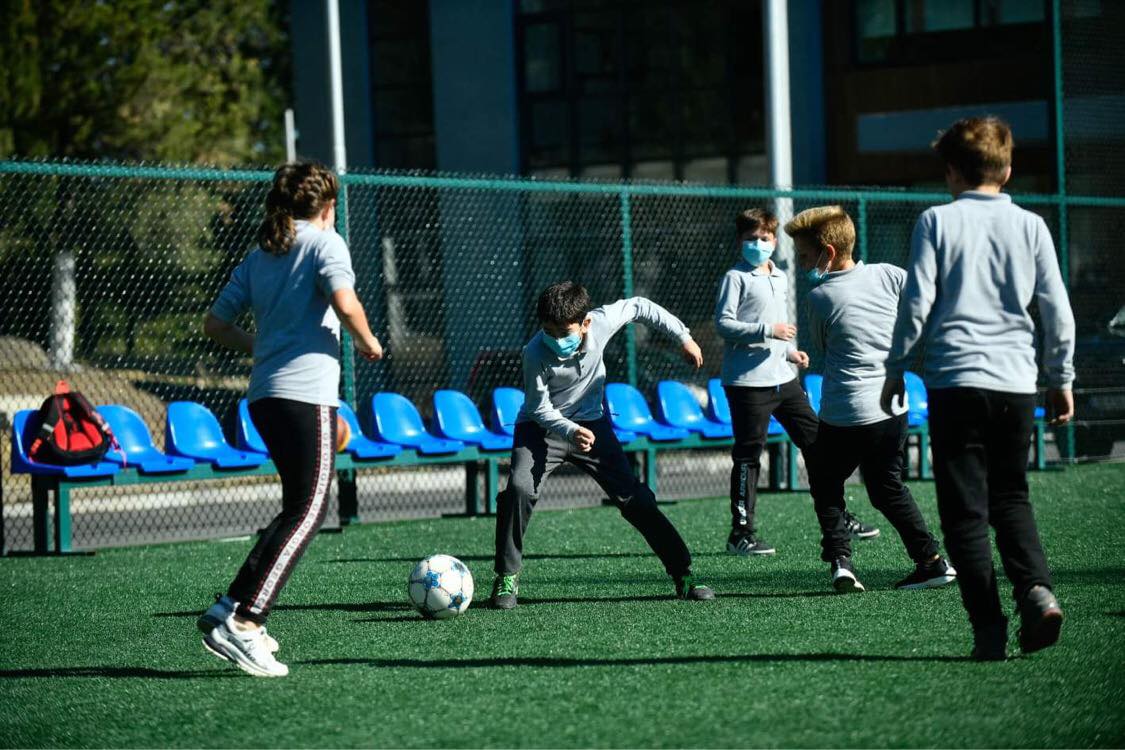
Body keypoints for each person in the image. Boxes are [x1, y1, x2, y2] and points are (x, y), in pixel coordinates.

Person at [881, 117, 1075, 660]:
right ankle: (1036, 591)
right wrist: (1060, 377)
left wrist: (896, 366)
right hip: (1016, 382)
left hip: (955, 380)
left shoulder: (936, 221)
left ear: (951, 172)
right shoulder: (1031, 225)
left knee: (964, 512)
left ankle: (988, 630)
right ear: (1007, 170)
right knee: (1011, 495)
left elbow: (916, 302)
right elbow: (1057, 310)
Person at [196, 162, 383, 677]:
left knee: (295, 507)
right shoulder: (327, 242)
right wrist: (368, 342)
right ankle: (245, 623)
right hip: (306, 397)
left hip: (265, 397)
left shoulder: (261, 254)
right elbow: (345, 303)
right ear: (328, 206)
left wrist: (260, 348)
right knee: (309, 511)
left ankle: (230, 605)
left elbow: (215, 324)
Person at [490, 281, 715, 609]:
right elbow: (538, 408)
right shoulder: (534, 352)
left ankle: (683, 574)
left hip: (593, 425)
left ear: (585, 323)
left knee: (636, 499)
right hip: (540, 428)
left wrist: (683, 336)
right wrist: (570, 431)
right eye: (548, 331)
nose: (555, 339)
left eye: (563, 332)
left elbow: (640, 305)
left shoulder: (603, 321)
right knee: (519, 489)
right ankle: (506, 576)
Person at [786, 205, 956, 594]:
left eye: (805, 256)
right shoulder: (890, 274)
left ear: (828, 253)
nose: (802, 265)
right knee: (886, 488)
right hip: (892, 409)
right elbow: (926, 304)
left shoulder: (820, 297)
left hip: (844, 412)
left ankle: (841, 563)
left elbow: (823, 348)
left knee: (826, 484)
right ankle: (931, 561)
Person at [715, 208, 878, 556]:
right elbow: (724, 324)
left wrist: (790, 352)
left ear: (775, 241)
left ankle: (840, 516)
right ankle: (741, 534)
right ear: (739, 241)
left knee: (818, 444)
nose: (758, 244)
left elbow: (778, 328)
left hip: (784, 380)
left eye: (764, 238)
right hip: (747, 384)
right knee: (748, 456)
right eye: (751, 238)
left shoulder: (779, 276)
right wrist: (767, 331)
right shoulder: (735, 277)